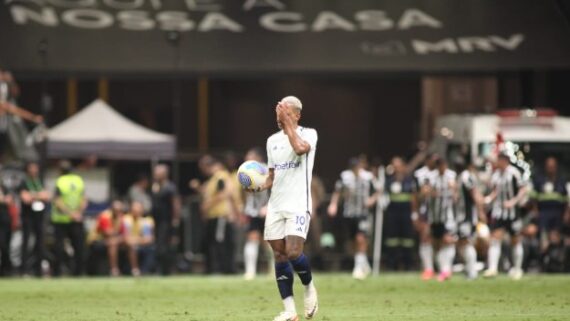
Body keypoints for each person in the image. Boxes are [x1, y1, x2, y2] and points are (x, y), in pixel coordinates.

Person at [249, 96, 318, 321]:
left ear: (296, 114)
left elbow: (299, 150)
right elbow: (272, 176)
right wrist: (258, 186)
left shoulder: (309, 134)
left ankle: (309, 287)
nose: (278, 117)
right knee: (279, 255)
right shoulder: (271, 141)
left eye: (285, 112)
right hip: (276, 205)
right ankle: (289, 311)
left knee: (293, 252)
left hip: (298, 204)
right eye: (277, 113)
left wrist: (288, 124)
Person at [327, 157, 378, 279]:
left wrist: (372, 199)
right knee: (352, 241)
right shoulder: (345, 177)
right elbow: (337, 191)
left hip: (363, 212)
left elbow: (379, 190)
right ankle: (364, 263)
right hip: (349, 213)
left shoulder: (368, 177)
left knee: (361, 238)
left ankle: (358, 267)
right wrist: (333, 204)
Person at [483, 153, 528, 280]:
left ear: (505, 161)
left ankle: (518, 269)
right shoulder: (496, 175)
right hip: (499, 213)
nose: (498, 163)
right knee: (495, 239)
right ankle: (493, 268)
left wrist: (513, 201)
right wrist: (488, 199)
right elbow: (495, 192)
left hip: (513, 213)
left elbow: (523, 189)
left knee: (515, 240)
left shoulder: (514, 173)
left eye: (500, 160)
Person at [199, 155, 237, 274]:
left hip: (221, 215)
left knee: (220, 242)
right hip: (213, 216)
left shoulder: (221, 176)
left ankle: (225, 269)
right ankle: (217, 268)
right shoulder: (213, 179)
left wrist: (208, 204)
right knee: (214, 242)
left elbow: (226, 193)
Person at [422, 158, 457, 282]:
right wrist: (432, 192)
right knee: (431, 241)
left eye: (444, 165)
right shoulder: (430, 176)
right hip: (433, 216)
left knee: (446, 240)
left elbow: (455, 193)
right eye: (440, 166)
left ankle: (446, 270)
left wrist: (452, 190)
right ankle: (430, 270)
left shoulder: (451, 175)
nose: (442, 168)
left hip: (447, 216)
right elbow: (424, 191)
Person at [531, 157, 568, 270]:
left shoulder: (561, 181)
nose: (551, 168)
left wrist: (566, 213)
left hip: (557, 214)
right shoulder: (539, 181)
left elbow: (566, 200)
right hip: (544, 214)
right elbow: (534, 199)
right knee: (543, 239)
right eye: (549, 166)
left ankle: (555, 263)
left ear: (555, 167)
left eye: (552, 166)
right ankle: (543, 262)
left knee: (555, 238)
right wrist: (535, 211)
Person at [51, 160, 87, 276]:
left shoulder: (60, 181)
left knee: (59, 247)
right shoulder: (78, 180)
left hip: (61, 220)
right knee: (79, 247)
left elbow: (58, 201)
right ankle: (79, 272)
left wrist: (69, 213)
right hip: (76, 219)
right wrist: (78, 213)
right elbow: (84, 199)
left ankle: (57, 272)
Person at [383, 157, 417, 271]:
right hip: (392, 213)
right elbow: (384, 195)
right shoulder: (389, 180)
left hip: (406, 213)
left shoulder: (409, 180)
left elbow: (413, 198)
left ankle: (407, 264)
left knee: (407, 240)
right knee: (392, 239)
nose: (396, 169)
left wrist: (414, 214)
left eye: (398, 166)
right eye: (394, 166)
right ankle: (392, 264)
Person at [242, 147, 271, 280]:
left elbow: (275, 190)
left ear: (258, 158)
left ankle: (275, 269)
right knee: (252, 238)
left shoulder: (267, 170)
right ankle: (250, 272)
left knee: (270, 242)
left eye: (250, 156)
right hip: (253, 212)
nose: (247, 159)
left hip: (268, 211)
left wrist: (268, 206)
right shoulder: (244, 170)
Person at [18, 161, 50, 276]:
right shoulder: (24, 182)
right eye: (32, 168)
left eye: (35, 168)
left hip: (39, 217)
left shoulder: (39, 181)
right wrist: (38, 195)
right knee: (26, 242)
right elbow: (25, 199)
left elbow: (47, 196)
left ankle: (38, 270)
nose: (34, 170)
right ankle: (24, 270)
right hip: (28, 217)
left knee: (40, 243)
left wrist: (33, 195)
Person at [456, 162, 485, 279]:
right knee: (463, 243)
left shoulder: (465, 176)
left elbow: (475, 195)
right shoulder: (466, 176)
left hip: (467, 217)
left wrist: (480, 211)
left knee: (466, 242)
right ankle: (470, 269)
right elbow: (475, 194)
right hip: (465, 216)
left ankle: (472, 271)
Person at [151, 164, 180, 275]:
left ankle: (166, 270)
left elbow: (175, 204)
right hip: (157, 221)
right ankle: (160, 269)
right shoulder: (156, 187)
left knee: (164, 246)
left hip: (166, 221)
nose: (155, 174)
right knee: (158, 245)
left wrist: (175, 220)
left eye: (157, 172)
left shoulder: (170, 187)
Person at [414, 153, 439, 280]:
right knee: (425, 237)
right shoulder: (419, 174)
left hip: (443, 212)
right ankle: (428, 268)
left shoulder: (444, 173)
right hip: (426, 210)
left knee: (441, 240)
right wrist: (415, 214)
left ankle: (444, 269)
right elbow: (414, 197)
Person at [95, 200, 134, 276]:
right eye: (116, 210)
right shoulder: (105, 216)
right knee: (113, 244)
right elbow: (107, 233)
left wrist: (122, 238)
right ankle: (114, 270)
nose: (118, 212)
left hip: (115, 239)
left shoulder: (122, 217)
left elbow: (124, 233)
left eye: (120, 210)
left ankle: (134, 269)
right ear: (112, 209)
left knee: (129, 243)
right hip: (98, 240)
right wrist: (119, 235)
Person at [123, 201, 155, 275]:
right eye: (134, 208)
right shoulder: (125, 220)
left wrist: (136, 239)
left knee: (151, 248)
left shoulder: (147, 221)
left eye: (138, 208)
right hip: (127, 245)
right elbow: (126, 238)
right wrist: (140, 239)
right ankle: (135, 270)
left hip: (142, 244)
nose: (136, 210)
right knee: (132, 247)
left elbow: (149, 239)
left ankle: (145, 271)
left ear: (142, 210)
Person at [0, 181, 13, 276]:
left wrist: (3, 199)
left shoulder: (4, 186)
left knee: (4, 245)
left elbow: (9, 201)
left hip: (4, 220)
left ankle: (6, 269)